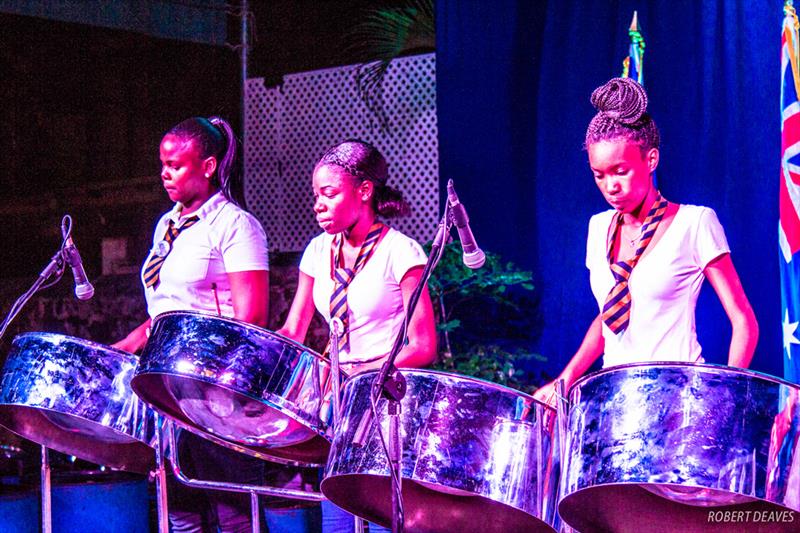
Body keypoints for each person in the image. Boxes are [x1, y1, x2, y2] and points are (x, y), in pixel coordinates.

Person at [534, 77, 759, 406]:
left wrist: (724, 396)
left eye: (620, 170)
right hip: (617, 401)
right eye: (600, 174)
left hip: (681, 400)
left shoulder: (694, 223)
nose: (611, 186)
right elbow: (610, 317)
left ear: (650, 160)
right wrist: (563, 382)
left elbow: (743, 320)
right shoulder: (598, 228)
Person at [113, 116, 269, 533]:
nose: (166, 174)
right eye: (163, 164)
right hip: (166, 387)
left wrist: (202, 363)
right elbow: (165, 310)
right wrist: (121, 349)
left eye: (177, 165)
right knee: (178, 506)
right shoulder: (167, 225)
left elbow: (252, 316)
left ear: (208, 165)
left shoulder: (236, 226)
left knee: (231, 509)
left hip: (215, 390)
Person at [278, 139, 438, 532]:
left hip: (384, 404)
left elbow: (423, 345)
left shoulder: (401, 252)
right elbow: (294, 329)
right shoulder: (317, 251)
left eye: (329, 193)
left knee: (380, 517)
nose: (318, 204)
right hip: (336, 405)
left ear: (364, 191)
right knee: (337, 521)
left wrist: (363, 376)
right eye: (315, 195)